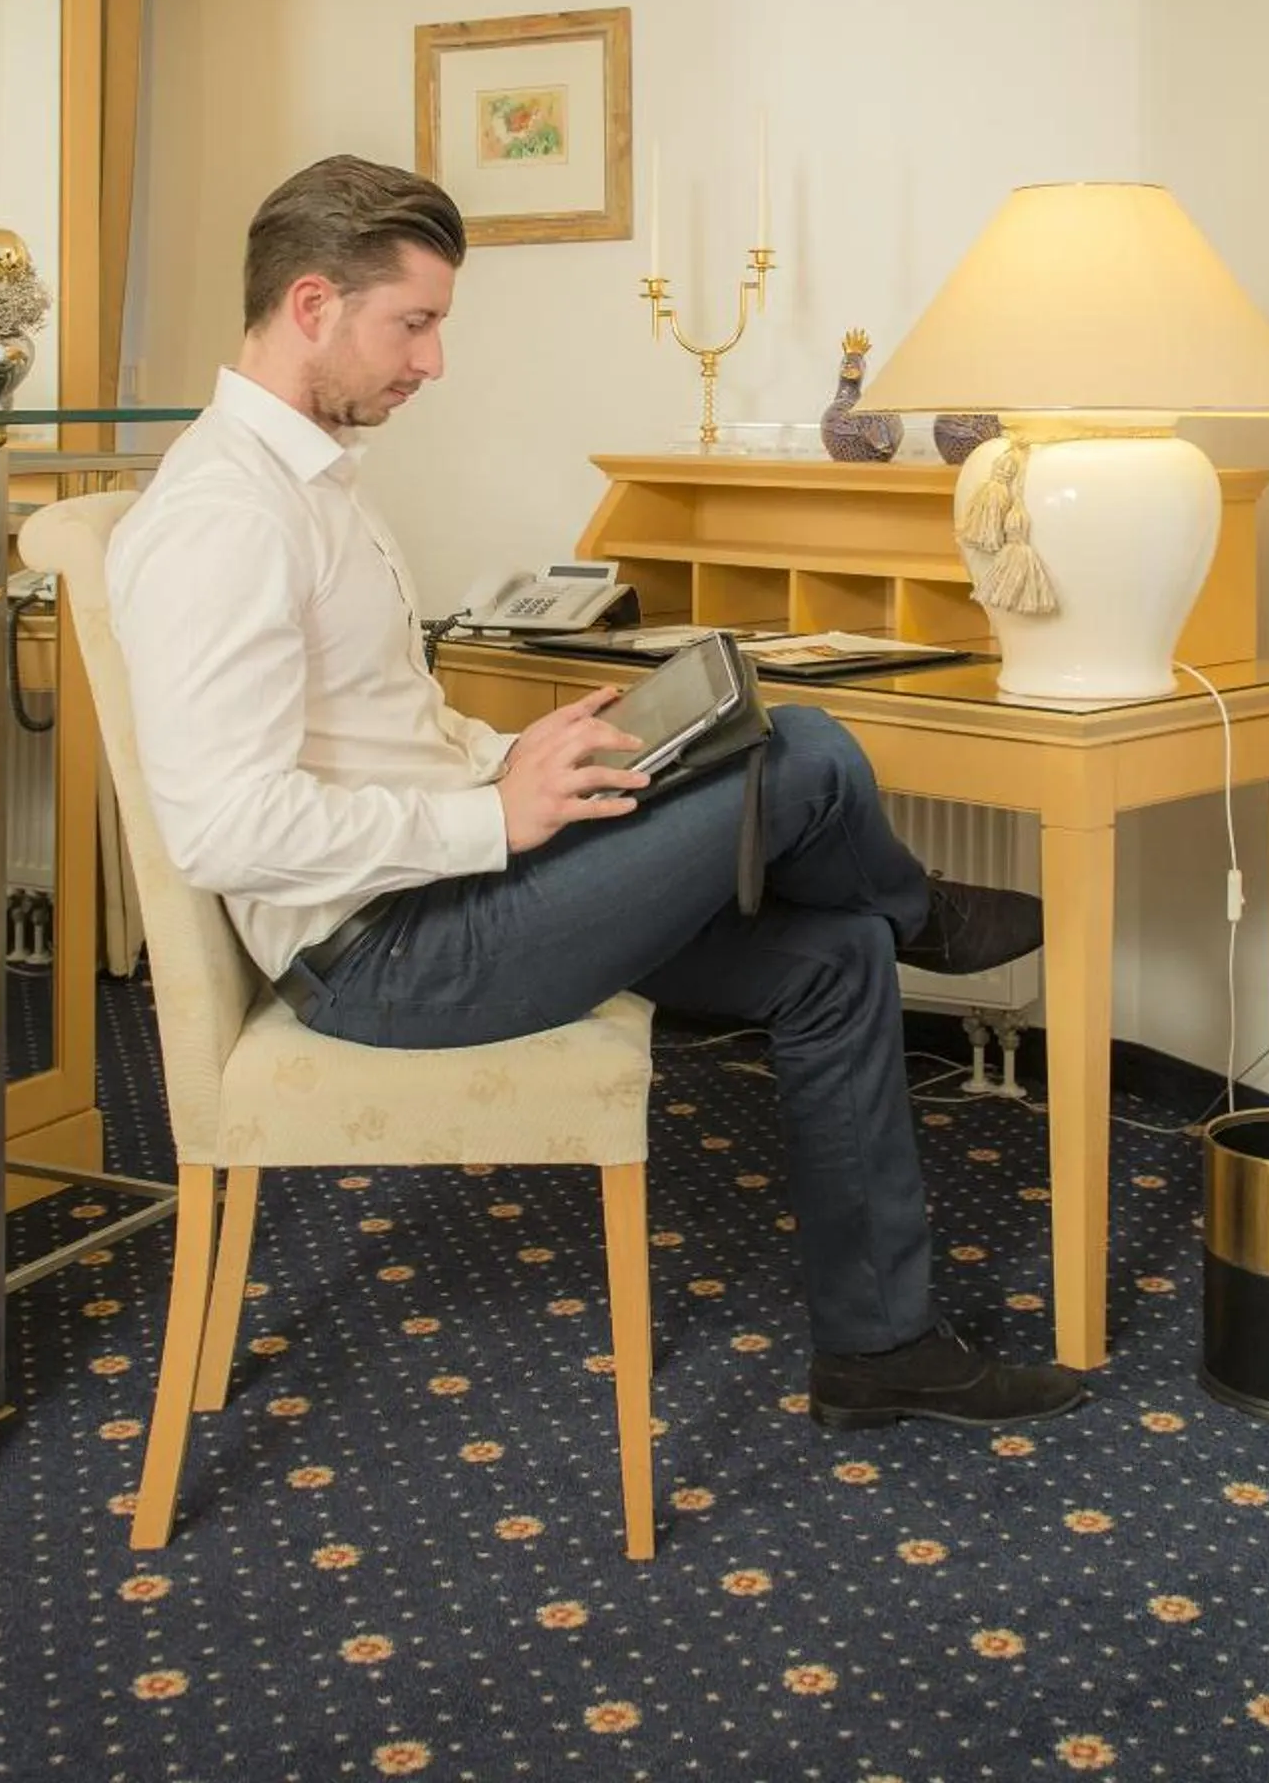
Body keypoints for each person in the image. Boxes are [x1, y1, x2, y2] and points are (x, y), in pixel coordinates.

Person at [107, 154, 1083, 1429]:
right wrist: (490, 817)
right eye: (416, 322)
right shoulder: (223, 517)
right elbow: (222, 824)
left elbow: (372, 730)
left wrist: (506, 761)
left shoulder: (311, 486)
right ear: (310, 306)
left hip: (452, 887)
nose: (434, 361)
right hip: (393, 953)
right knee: (810, 753)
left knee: (832, 949)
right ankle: (924, 917)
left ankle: (878, 1344)